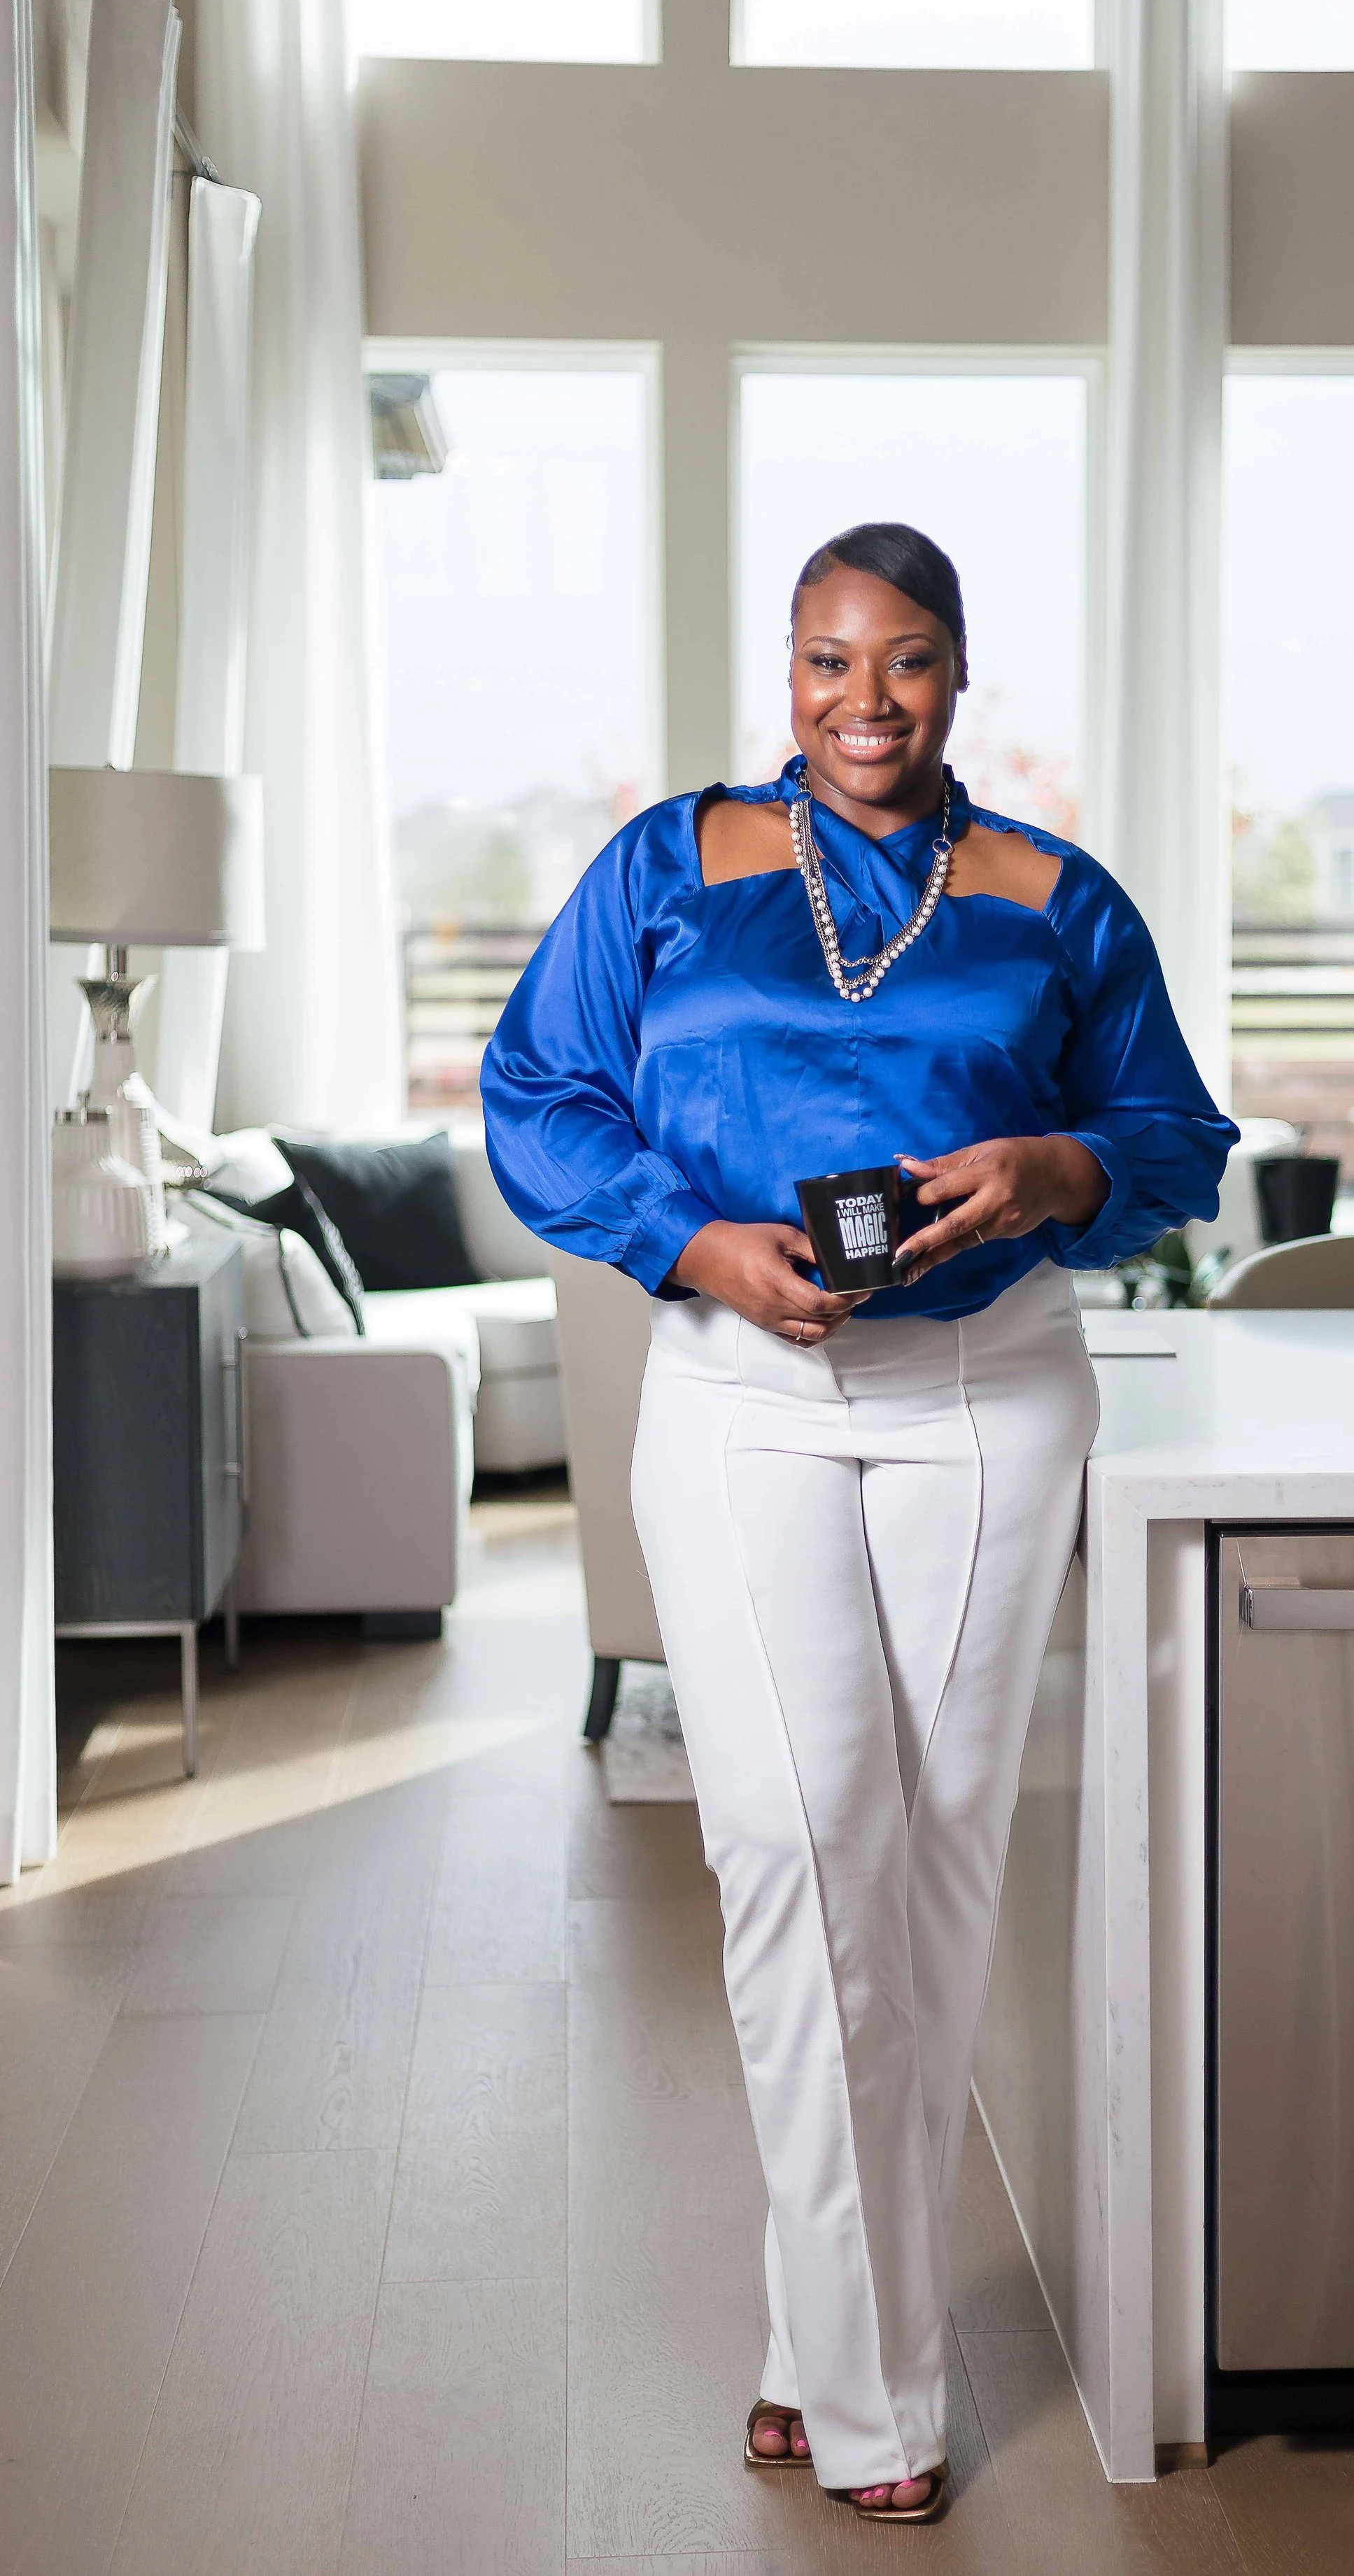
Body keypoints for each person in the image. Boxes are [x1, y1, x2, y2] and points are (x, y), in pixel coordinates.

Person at [482, 521, 1234, 2524]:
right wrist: (693, 1242)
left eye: (901, 663)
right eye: (825, 662)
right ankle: (882, 2403)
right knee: (798, 1845)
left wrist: (1060, 1160)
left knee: (931, 1873)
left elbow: (1177, 1140)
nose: (861, 703)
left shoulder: (1054, 898)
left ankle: (807, 2333)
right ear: (785, 669)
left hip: (987, 1395)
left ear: (961, 673)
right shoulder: (668, 864)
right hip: (738, 1401)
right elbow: (539, 1091)